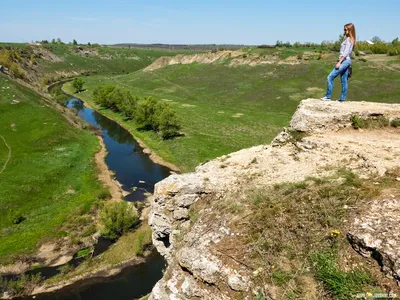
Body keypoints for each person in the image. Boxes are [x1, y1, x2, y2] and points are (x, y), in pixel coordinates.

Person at [321, 23, 356, 102]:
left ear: (350, 30)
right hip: (346, 61)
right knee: (344, 80)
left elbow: (346, 52)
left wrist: (339, 62)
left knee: (330, 77)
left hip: (344, 61)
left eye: (345, 29)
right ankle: (342, 99)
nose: (344, 31)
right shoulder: (349, 39)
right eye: (344, 29)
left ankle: (328, 96)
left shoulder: (349, 40)